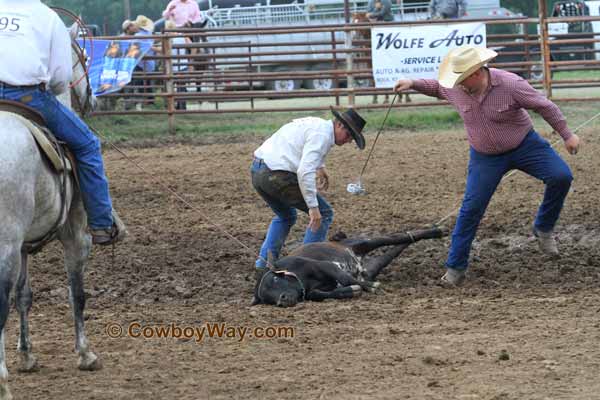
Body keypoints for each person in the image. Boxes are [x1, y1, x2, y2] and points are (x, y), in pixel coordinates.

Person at [393, 46, 580, 286]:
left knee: (561, 176)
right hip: (485, 157)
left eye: (461, 79)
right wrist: (412, 82)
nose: (456, 84)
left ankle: (543, 227)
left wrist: (567, 135)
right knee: (471, 209)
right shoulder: (455, 87)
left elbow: (544, 106)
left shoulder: (511, 85)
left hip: (525, 145)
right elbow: (436, 87)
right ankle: (455, 269)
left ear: (475, 74)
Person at [0, 0, 126, 245]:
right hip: (28, 98)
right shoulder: (46, 17)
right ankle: (101, 223)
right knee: (88, 144)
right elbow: (61, 78)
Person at [251, 108, 367, 271]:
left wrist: (320, 166)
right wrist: (313, 208)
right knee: (324, 214)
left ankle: (263, 264)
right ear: (339, 125)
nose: (349, 141)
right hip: (276, 174)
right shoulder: (322, 135)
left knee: (286, 216)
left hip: (258, 171)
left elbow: (303, 146)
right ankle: (304, 264)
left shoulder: (318, 125)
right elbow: (304, 171)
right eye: (349, 135)